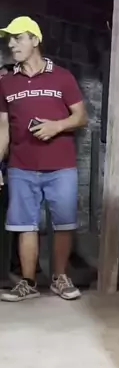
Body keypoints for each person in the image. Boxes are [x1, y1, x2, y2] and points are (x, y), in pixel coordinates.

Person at [0, 16, 87, 302]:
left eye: (18, 38)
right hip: (21, 166)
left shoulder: (62, 77)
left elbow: (81, 117)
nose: (11, 45)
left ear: (35, 40)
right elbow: (3, 127)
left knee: (63, 223)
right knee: (24, 225)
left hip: (61, 166)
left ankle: (60, 278)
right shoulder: (6, 82)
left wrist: (56, 126)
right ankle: (28, 282)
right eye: (9, 40)